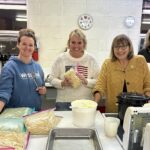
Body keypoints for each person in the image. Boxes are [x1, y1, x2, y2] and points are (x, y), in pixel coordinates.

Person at [93, 34, 150, 113]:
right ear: (113, 49)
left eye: (123, 47)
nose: (120, 50)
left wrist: (147, 105)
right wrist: (94, 103)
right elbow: (100, 85)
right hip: (113, 111)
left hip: (137, 110)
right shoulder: (108, 64)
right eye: (116, 47)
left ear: (129, 48)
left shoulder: (140, 61)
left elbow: (148, 85)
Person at [48, 29, 100, 110]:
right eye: (73, 42)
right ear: (69, 43)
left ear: (84, 44)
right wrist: (62, 83)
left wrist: (86, 81)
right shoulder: (61, 59)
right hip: (63, 103)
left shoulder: (91, 59)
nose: (76, 46)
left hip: (85, 103)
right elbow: (51, 78)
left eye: (79, 43)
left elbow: (99, 81)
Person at [0, 28, 46, 112]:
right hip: (16, 117)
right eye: (24, 44)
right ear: (18, 44)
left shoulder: (37, 67)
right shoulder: (9, 67)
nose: (27, 47)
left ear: (34, 47)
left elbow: (42, 86)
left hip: (35, 114)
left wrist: (43, 90)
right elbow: (3, 93)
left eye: (31, 45)